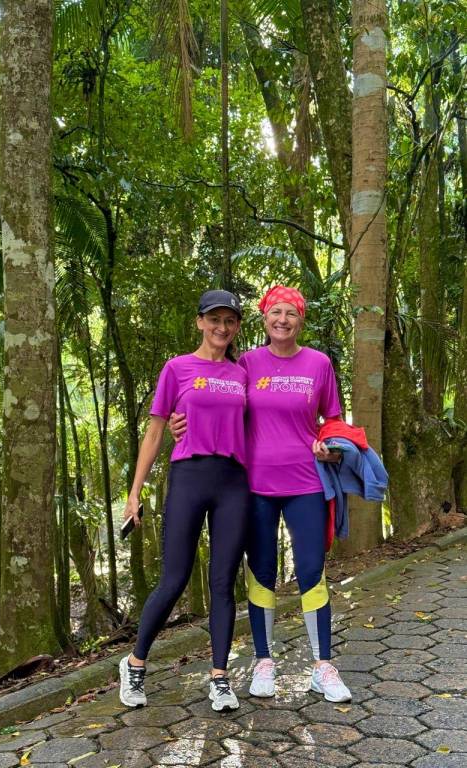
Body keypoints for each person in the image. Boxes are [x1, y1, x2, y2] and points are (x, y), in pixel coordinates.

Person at [171, 285, 352, 704]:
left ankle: (323, 666)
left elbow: (334, 419)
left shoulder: (319, 364)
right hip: (254, 485)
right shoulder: (247, 364)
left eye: (291, 313)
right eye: (276, 313)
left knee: (312, 570)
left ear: (301, 320)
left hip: (307, 482)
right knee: (262, 571)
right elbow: (215, 400)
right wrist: (181, 423)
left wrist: (332, 446)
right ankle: (264, 660)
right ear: (264, 318)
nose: (283, 320)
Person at [119, 289, 249, 712]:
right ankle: (135, 664)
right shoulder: (177, 368)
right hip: (190, 476)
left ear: (236, 327)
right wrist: (134, 493)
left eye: (229, 321)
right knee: (174, 579)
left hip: (233, 481)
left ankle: (220, 678)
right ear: (200, 322)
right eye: (214, 319)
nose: (221, 327)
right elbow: (156, 431)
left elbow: (260, 422)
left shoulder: (241, 373)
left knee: (223, 581)